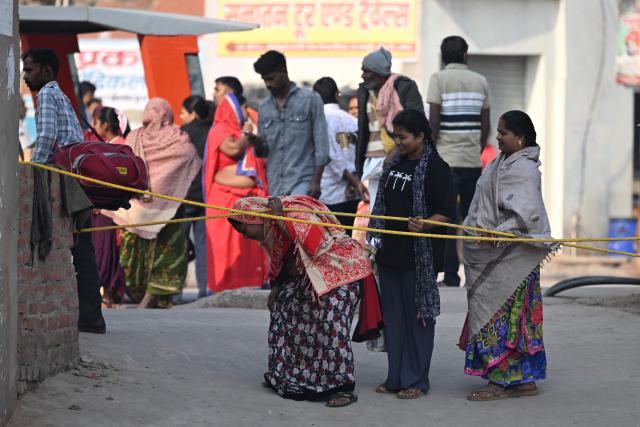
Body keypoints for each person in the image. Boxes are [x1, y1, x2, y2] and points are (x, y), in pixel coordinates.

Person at [228, 195, 374, 407]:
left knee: (330, 322)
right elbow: (282, 259)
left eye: (244, 229)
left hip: (339, 272)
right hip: (309, 276)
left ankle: (342, 387)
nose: (244, 236)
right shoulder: (270, 231)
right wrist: (276, 288)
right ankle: (286, 373)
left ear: (257, 219)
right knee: (284, 307)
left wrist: (280, 218)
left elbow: (312, 247)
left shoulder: (295, 214)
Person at [459, 110, 553, 401]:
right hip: (495, 253)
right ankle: (523, 380)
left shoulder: (524, 170)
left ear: (520, 138)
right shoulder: (499, 163)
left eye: (503, 133)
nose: (497, 137)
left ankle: (499, 382)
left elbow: (529, 215)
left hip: (515, 260)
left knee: (504, 319)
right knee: (510, 319)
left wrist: (499, 232)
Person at [368, 110, 456, 399]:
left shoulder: (437, 168)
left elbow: (448, 213)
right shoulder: (395, 162)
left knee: (417, 319)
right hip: (390, 254)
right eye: (396, 136)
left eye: (403, 136)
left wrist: (428, 222)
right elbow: (382, 204)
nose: (398, 141)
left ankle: (416, 380)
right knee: (393, 319)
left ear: (420, 136)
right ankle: (395, 377)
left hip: (418, 258)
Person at [22, 48, 105, 333]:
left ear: (45, 72)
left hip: (66, 176)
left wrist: (34, 169)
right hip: (76, 174)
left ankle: (90, 318)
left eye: (29, 70)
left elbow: (46, 136)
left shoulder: (46, 93)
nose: (25, 76)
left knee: (77, 247)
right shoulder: (61, 94)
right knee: (83, 248)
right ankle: (91, 316)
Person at [105, 98, 201, 308]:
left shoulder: (133, 137)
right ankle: (152, 296)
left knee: (134, 257)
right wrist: (164, 184)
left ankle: (147, 296)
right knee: (168, 254)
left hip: (136, 210)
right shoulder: (178, 138)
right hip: (168, 211)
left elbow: (125, 166)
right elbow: (189, 156)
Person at [427, 35, 491, 288]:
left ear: (443, 57)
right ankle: (475, 276)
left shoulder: (438, 79)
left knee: (446, 220)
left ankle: (450, 276)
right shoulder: (481, 81)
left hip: (445, 162)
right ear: (466, 55)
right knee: (471, 220)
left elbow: (434, 122)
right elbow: (485, 123)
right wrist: (476, 150)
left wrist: (431, 154)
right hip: (471, 162)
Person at [203, 81, 268, 294]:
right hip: (223, 199)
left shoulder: (240, 128)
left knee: (244, 246)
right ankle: (224, 286)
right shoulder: (220, 130)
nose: (244, 112)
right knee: (225, 248)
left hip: (242, 198)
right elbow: (232, 149)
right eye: (241, 108)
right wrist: (246, 135)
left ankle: (247, 283)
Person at [252, 50, 330, 198]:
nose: (268, 84)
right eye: (264, 80)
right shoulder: (264, 107)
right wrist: (256, 144)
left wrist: (316, 181)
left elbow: (322, 145)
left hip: (303, 181)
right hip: (275, 184)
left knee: (296, 219)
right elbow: (265, 151)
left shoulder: (310, 99)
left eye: (271, 78)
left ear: (283, 71)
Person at [356, 46, 424, 209]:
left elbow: (417, 122)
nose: (363, 75)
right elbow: (367, 129)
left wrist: (396, 150)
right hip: (372, 161)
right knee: (376, 211)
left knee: (399, 209)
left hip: (400, 157)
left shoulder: (403, 87)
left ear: (378, 71)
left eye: (366, 71)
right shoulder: (364, 92)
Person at [312, 77, 368, 232]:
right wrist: (356, 181)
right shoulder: (351, 120)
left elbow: (330, 157)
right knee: (346, 241)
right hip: (353, 192)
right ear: (337, 95)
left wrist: (353, 181)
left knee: (329, 244)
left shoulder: (319, 120)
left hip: (329, 193)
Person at [90, 107, 128, 307]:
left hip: (110, 211)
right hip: (102, 208)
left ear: (105, 125)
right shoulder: (108, 146)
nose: (94, 126)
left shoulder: (120, 147)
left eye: (96, 123)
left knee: (107, 254)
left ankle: (109, 293)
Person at [180, 95, 212, 299]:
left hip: (183, 198)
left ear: (193, 114)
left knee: (179, 247)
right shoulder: (212, 132)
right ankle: (203, 291)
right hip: (204, 197)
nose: (181, 116)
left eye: (183, 112)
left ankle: (174, 294)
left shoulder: (182, 134)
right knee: (202, 248)